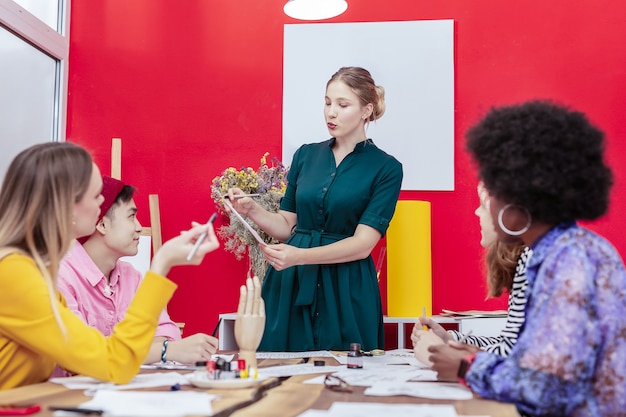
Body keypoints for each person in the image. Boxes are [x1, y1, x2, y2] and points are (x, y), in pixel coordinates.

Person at [428, 100, 626, 416]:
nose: (486, 209)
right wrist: (476, 355)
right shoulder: (573, 250)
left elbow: (547, 387)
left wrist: (468, 366)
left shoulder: (568, 263)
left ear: (519, 199)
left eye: (492, 194)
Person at [0, 142, 219, 390]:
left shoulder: (33, 270)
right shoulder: (15, 273)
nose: (102, 202)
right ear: (66, 205)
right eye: (96, 196)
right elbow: (114, 362)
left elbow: (94, 359)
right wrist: (162, 262)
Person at [227, 66, 403, 351]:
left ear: (366, 110)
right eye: (327, 102)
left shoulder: (386, 168)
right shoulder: (306, 155)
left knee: (348, 376)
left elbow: (362, 245)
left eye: (343, 105)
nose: (331, 112)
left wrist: (300, 256)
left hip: (346, 288)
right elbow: (286, 225)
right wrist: (251, 210)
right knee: (279, 375)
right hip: (292, 284)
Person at [57, 176, 218, 366]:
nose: (140, 227)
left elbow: (166, 330)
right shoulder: (61, 277)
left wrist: (149, 349)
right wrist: (165, 350)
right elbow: (86, 355)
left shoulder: (130, 276)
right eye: (131, 216)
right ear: (102, 224)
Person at [411, 182, 528, 364]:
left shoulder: (533, 264)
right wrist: (450, 340)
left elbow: (515, 364)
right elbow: (511, 347)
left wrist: (447, 360)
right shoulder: (529, 257)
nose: (476, 212)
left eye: (483, 206)